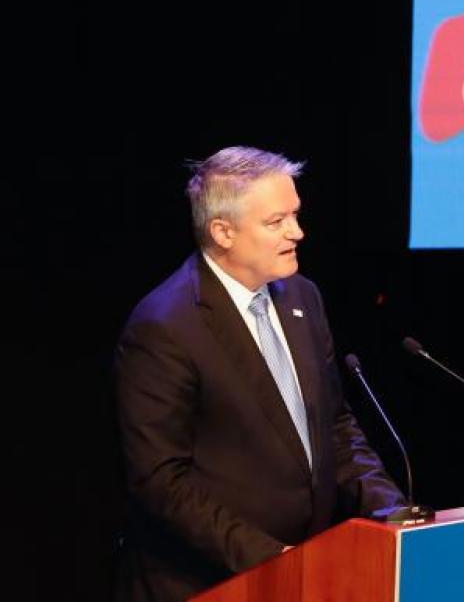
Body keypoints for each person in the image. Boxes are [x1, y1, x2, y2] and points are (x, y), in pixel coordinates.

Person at [114, 146, 408, 602]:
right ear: (222, 232)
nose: (298, 232)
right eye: (277, 222)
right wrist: (272, 559)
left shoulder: (302, 297)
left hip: (301, 570)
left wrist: (393, 513)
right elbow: (161, 481)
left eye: (295, 215)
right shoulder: (165, 326)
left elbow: (334, 426)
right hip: (212, 581)